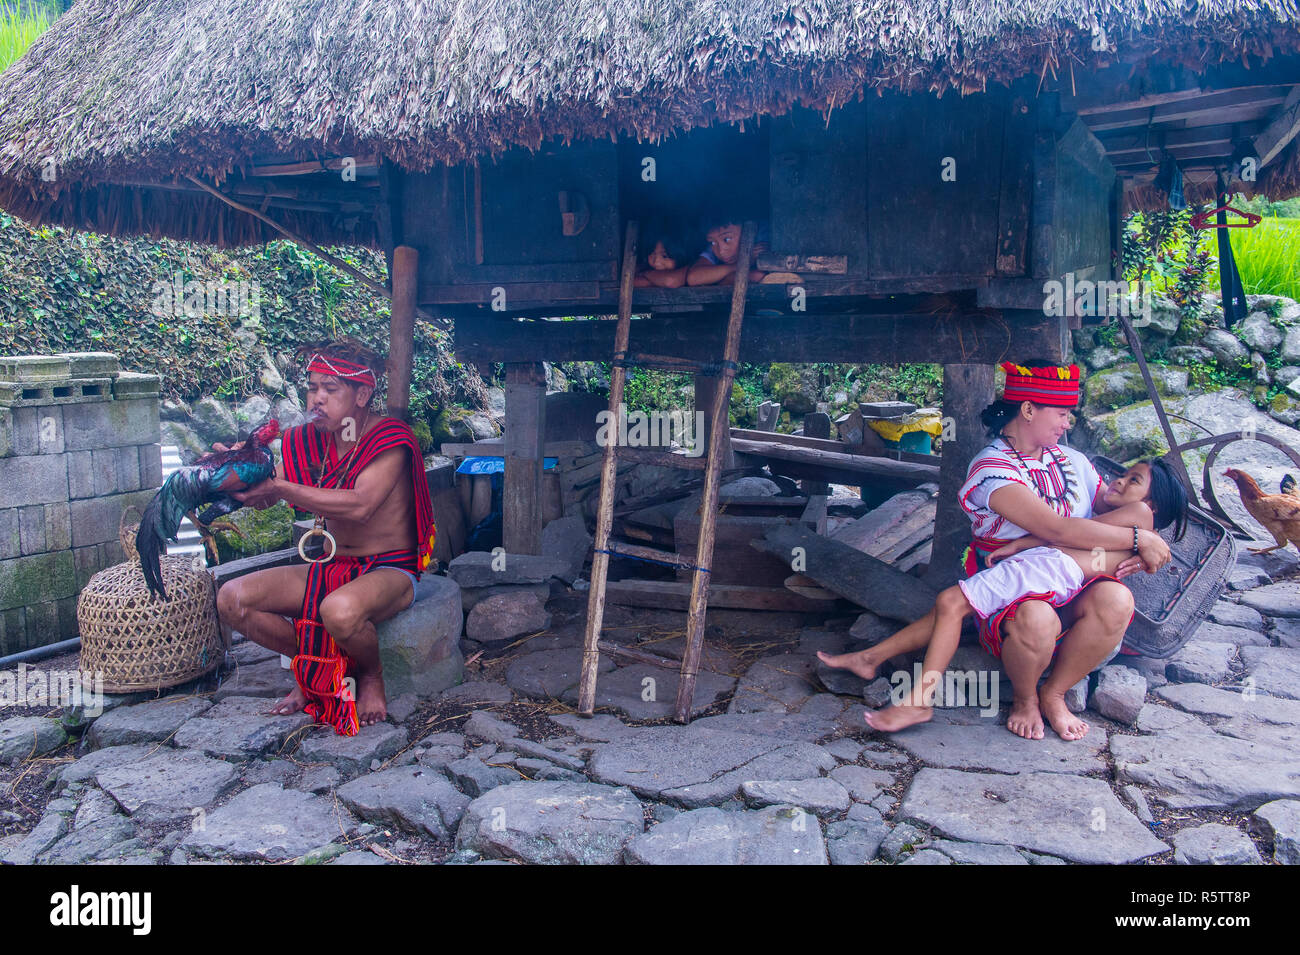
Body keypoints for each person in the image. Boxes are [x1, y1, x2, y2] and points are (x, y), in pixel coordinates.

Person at [819, 360, 1174, 741]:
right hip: (1017, 586)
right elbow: (1057, 528)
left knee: (1116, 599)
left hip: (1068, 578)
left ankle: (1053, 693)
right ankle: (1025, 699)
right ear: (1027, 409)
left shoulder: (1070, 461)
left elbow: (1115, 512)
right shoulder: (992, 471)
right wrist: (1139, 541)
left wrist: (1141, 533)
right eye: (1061, 412)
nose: (1068, 422)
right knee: (1005, 612)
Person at [833, 458, 1187, 734]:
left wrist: (1024, 542)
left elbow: (1069, 535)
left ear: (1152, 506)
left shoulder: (1138, 515)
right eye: (1124, 474)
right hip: (1046, 570)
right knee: (953, 605)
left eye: (1134, 481)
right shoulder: (1127, 521)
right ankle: (876, 660)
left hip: (1046, 570)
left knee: (951, 604)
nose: (1120, 480)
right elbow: (1071, 535)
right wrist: (1026, 542)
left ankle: (919, 699)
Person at [215, 339, 437, 733]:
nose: (317, 399)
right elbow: (269, 496)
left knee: (337, 611)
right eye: (312, 388)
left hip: (388, 569)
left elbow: (360, 505)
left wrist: (279, 488)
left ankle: (370, 676)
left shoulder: (391, 438)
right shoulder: (306, 440)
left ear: (362, 394)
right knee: (232, 599)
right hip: (330, 566)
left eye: (330, 390)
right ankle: (315, 668)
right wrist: (238, 470)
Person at [685, 215, 769, 286]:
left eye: (727, 239)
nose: (721, 251)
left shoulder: (763, 234)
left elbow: (757, 275)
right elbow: (693, 277)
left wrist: (721, 280)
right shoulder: (716, 243)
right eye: (712, 242)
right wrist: (743, 263)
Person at [632, 219, 691, 288]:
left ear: (681, 256)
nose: (656, 262)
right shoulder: (644, 266)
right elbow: (631, 281)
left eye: (664, 256)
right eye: (652, 253)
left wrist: (646, 274)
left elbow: (669, 281)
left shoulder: (688, 269)